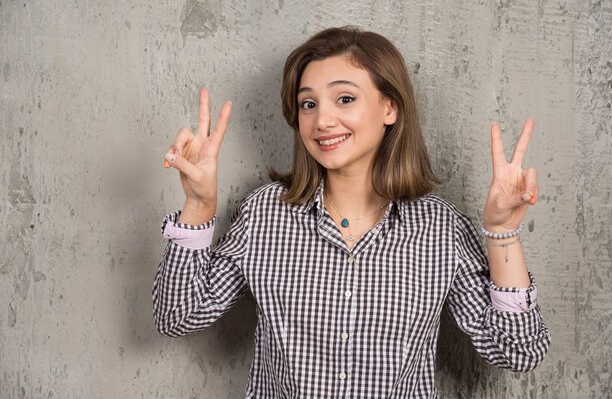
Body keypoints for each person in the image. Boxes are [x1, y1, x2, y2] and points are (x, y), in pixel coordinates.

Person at [152, 26, 551, 398]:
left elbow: (519, 353)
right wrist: (199, 205)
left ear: (390, 107)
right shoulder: (265, 213)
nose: (322, 120)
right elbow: (176, 317)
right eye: (308, 103)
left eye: (345, 98)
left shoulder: (440, 229)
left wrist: (503, 232)